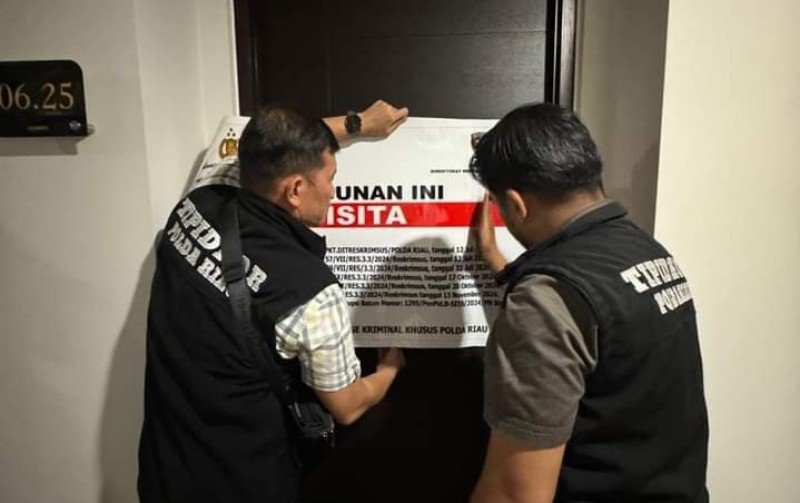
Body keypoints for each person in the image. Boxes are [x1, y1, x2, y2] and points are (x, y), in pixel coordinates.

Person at [138, 101, 409, 503]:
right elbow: (347, 406)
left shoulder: (197, 203)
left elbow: (268, 145)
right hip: (246, 483)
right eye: (331, 178)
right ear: (296, 190)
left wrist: (359, 124)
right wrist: (389, 371)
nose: (334, 191)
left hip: (164, 469)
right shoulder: (311, 292)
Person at [468, 103, 709, 502]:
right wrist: (497, 262)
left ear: (516, 204)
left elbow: (515, 494)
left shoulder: (546, 301)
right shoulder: (644, 249)